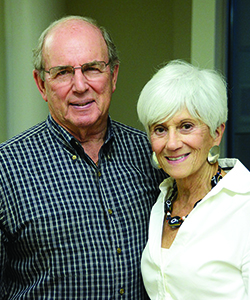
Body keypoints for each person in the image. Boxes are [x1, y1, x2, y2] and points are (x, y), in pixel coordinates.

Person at [0, 16, 166, 299]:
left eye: (92, 69)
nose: (80, 85)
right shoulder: (6, 168)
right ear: (41, 84)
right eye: (63, 72)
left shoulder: (152, 156)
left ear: (113, 76)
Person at [137, 60, 250, 299]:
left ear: (216, 133)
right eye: (160, 129)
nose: (172, 143)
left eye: (185, 126)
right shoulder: (161, 200)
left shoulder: (244, 205)